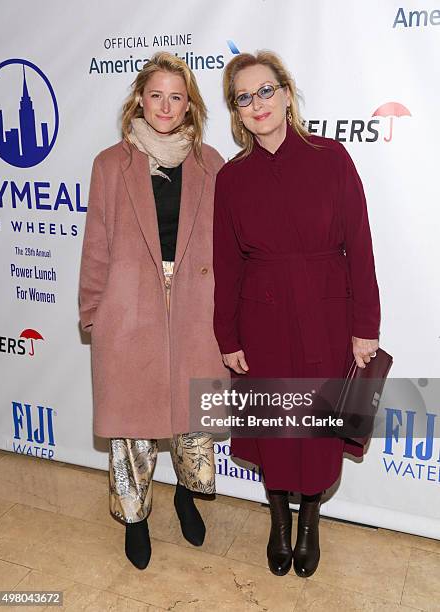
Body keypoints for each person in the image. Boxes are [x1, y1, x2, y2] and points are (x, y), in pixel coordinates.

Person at [213, 51, 380, 578]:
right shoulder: (232, 178)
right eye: (244, 97)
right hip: (260, 319)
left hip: (328, 316)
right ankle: (279, 519)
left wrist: (365, 326)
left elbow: (360, 244)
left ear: (286, 94)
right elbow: (226, 264)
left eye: (266, 91)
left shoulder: (332, 157)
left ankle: (310, 519)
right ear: (237, 112)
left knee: (316, 429)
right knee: (274, 425)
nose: (257, 104)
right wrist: (227, 334)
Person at [79, 51, 228, 570]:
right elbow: (96, 243)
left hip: (196, 307)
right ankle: (135, 518)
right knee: (132, 427)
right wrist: (93, 312)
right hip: (130, 308)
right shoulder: (109, 164)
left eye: (177, 97)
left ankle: (189, 495)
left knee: (194, 421)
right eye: (157, 95)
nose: (166, 106)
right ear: (140, 99)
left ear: (190, 106)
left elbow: (228, 248)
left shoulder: (212, 164)